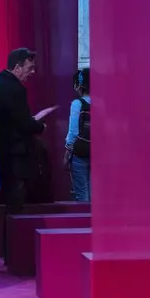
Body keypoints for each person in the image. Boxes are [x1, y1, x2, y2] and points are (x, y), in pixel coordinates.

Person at [0, 48, 54, 262]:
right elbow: (24, 124)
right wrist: (40, 125)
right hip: (16, 156)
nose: (32, 72)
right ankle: (12, 254)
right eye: (29, 67)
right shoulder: (17, 90)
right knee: (15, 204)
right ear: (17, 67)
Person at [64, 68, 91, 202]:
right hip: (97, 153)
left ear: (78, 85)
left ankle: (85, 220)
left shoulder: (77, 104)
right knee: (94, 194)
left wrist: (67, 153)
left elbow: (73, 132)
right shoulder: (102, 103)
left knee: (82, 194)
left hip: (80, 152)